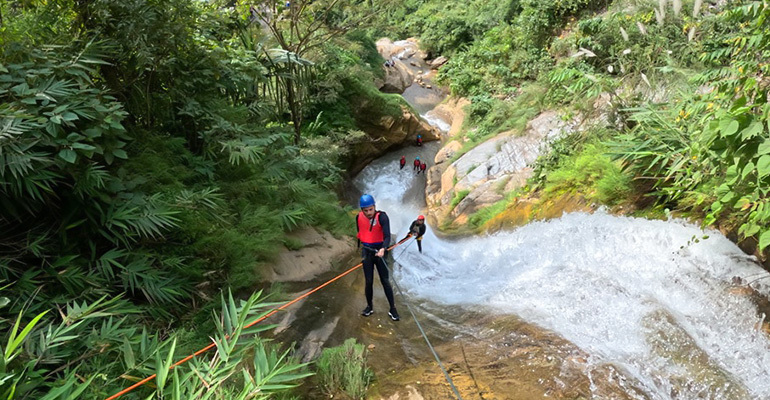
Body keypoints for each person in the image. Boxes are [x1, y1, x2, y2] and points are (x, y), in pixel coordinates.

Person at [356, 194, 400, 321]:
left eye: (371, 209)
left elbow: (387, 236)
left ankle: (393, 309)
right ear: (362, 210)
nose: (369, 212)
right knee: (368, 281)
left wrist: (383, 249)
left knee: (385, 280)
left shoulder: (383, 217)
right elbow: (361, 233)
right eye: (366, 210)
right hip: (367, 252)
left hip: (380, 251)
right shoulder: (358, 217)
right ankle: (369, 307)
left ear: (374, 206)